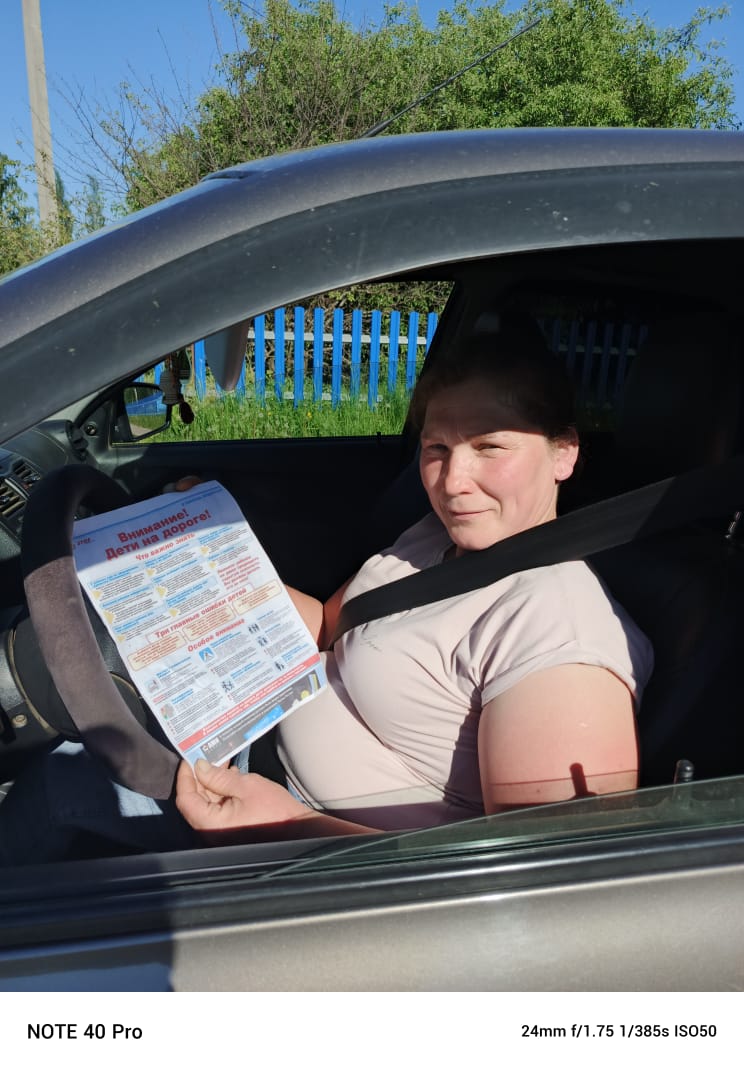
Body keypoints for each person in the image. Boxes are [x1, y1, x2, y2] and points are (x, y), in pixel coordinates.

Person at [0, 322, 653, 862]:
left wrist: (281, 826)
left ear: (564, 453)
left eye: (489, 446)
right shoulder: (436, 540)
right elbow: (324, 626)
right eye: (436, 448)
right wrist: (202, 560)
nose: (454, 480)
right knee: (68, 762)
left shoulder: (556, 624)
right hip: (247, 747)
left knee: (61, 787)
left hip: (312, 865)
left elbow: (532, 884)